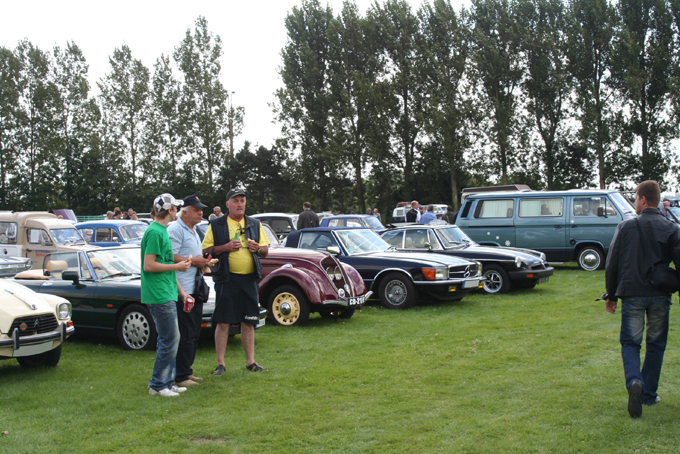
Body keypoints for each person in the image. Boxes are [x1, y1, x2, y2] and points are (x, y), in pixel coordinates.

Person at [605, 180, 680, 418]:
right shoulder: (671, 228)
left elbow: (612, 263)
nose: (634, 202)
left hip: (632, 293)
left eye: (635, 198)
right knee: (656, 345)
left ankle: (634, 381)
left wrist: (612, 295)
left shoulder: (625, 227)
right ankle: (647, 394)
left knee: (630, 343)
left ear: (643, 199)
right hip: (660, 294)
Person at [202, 188, 270, 375]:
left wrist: (257, 249)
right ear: (227, 204)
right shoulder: (216, 224)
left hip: (249, 279)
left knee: (248, 321)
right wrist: (225, 247)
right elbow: (206, 251)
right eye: (236, 201)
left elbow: (265, 251)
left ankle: (251, 362)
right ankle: (220, 364)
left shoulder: (254, 224)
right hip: (226, 279)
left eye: (242, 201)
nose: (240, 204)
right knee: (223, 322)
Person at [141, 193, 192, 397]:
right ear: (169, 210)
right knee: (169, 338)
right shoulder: (155, 232)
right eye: (176, 208)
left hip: (167, 291)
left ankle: (167, 382)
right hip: (159, 293)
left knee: (171, 338)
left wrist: (182, 292)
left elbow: (167, 265)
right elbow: (149, 265)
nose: (177, 211)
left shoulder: (161, 230)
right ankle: (158, 385)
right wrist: (177, 266)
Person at [167, 195, 211, 388]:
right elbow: (169, 256)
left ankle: (186, 370)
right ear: (184, 212)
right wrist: (194, 261)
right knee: (185, 333)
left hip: (194, 288)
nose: (200, 213)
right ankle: (180, 375)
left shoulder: (193, 229)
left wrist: (203, 262)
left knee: (193, 333)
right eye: (196, 210)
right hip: (182, 290)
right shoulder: (175, 229)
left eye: (201, 210)